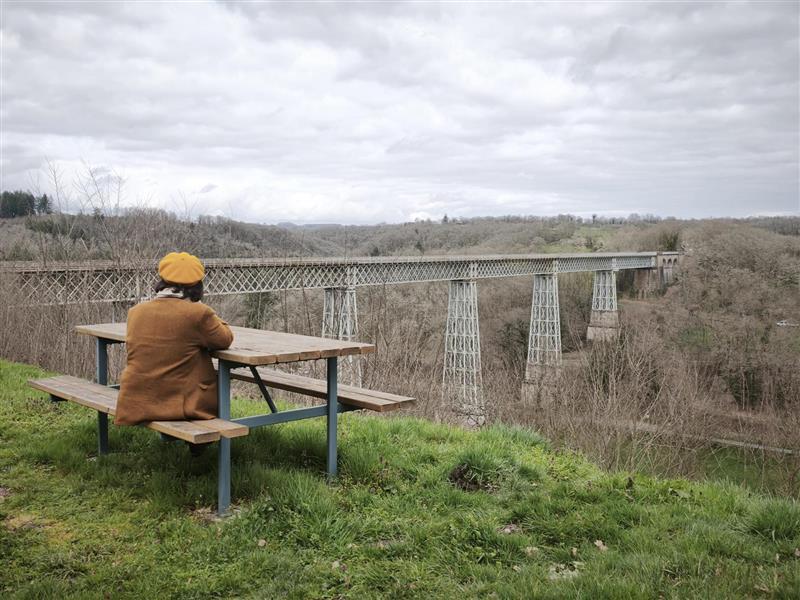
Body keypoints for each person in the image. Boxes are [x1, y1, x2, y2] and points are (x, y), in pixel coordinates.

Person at [115, 252, 234, 429]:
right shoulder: (198, 313)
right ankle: (203, 445)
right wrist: (205, 310)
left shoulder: (135, 312)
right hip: (183, 405)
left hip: (137, 401)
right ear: (197, 286)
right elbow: (225, 339)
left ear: (162, 281)